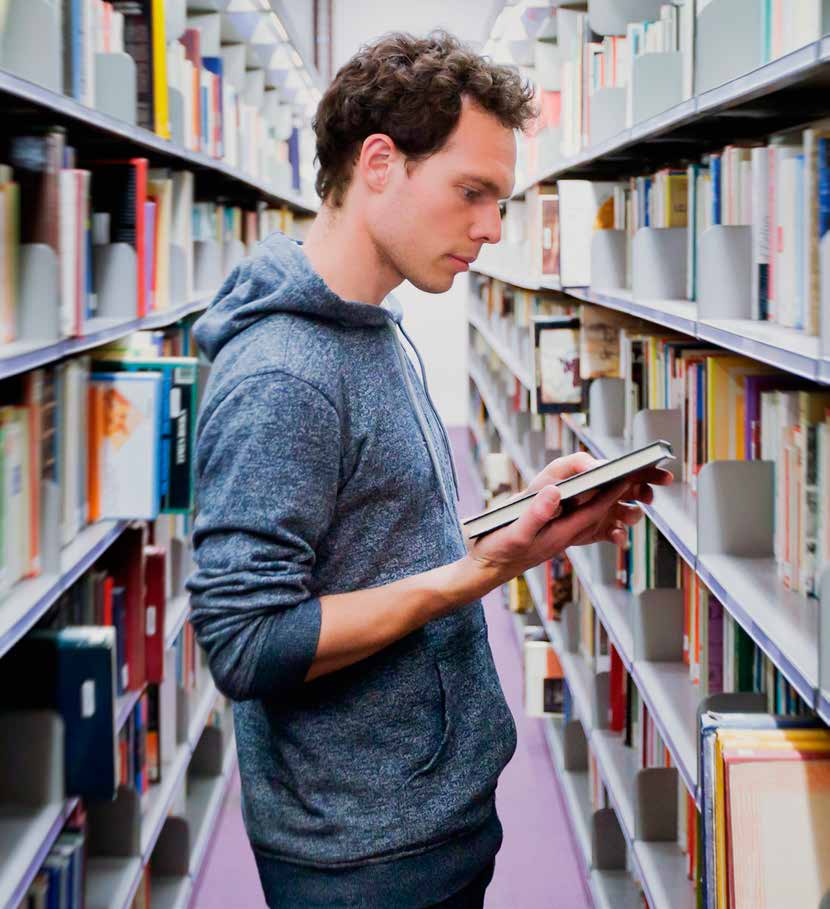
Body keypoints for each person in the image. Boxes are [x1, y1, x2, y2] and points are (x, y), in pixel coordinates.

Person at [186, 30, 671, 909]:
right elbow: (246, 641)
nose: (491, 227)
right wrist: (472, 574)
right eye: (472, 192)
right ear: (379, 163)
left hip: (426, 812)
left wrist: (519, 531)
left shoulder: (372, 324)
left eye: (500, 200)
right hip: (363, 856)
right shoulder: (283, 376)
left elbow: (372, 542)